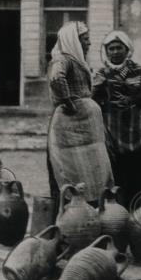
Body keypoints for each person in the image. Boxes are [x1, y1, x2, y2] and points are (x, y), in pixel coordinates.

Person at [46, 21, 114, 206]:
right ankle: (75, 212)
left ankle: (90, 208)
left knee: (92, 166)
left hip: (85, 124)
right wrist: (68, 101)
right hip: (71, 125)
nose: (89, 43)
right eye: (85, 39)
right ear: (73, 40)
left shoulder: (76, 61)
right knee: (70, 168)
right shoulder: (63, 59)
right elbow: (56, 78)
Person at [92, 30, 141, 212]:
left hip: (138, 133)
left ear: (127, 49)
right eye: (111, 49)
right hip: (114, 135)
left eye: (118, 48)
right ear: (106, 52)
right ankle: (119, 217)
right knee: (119, 180)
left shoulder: (137, 70)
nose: (115, 52)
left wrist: (131, 100)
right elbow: (92, 99)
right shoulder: (101, 73)